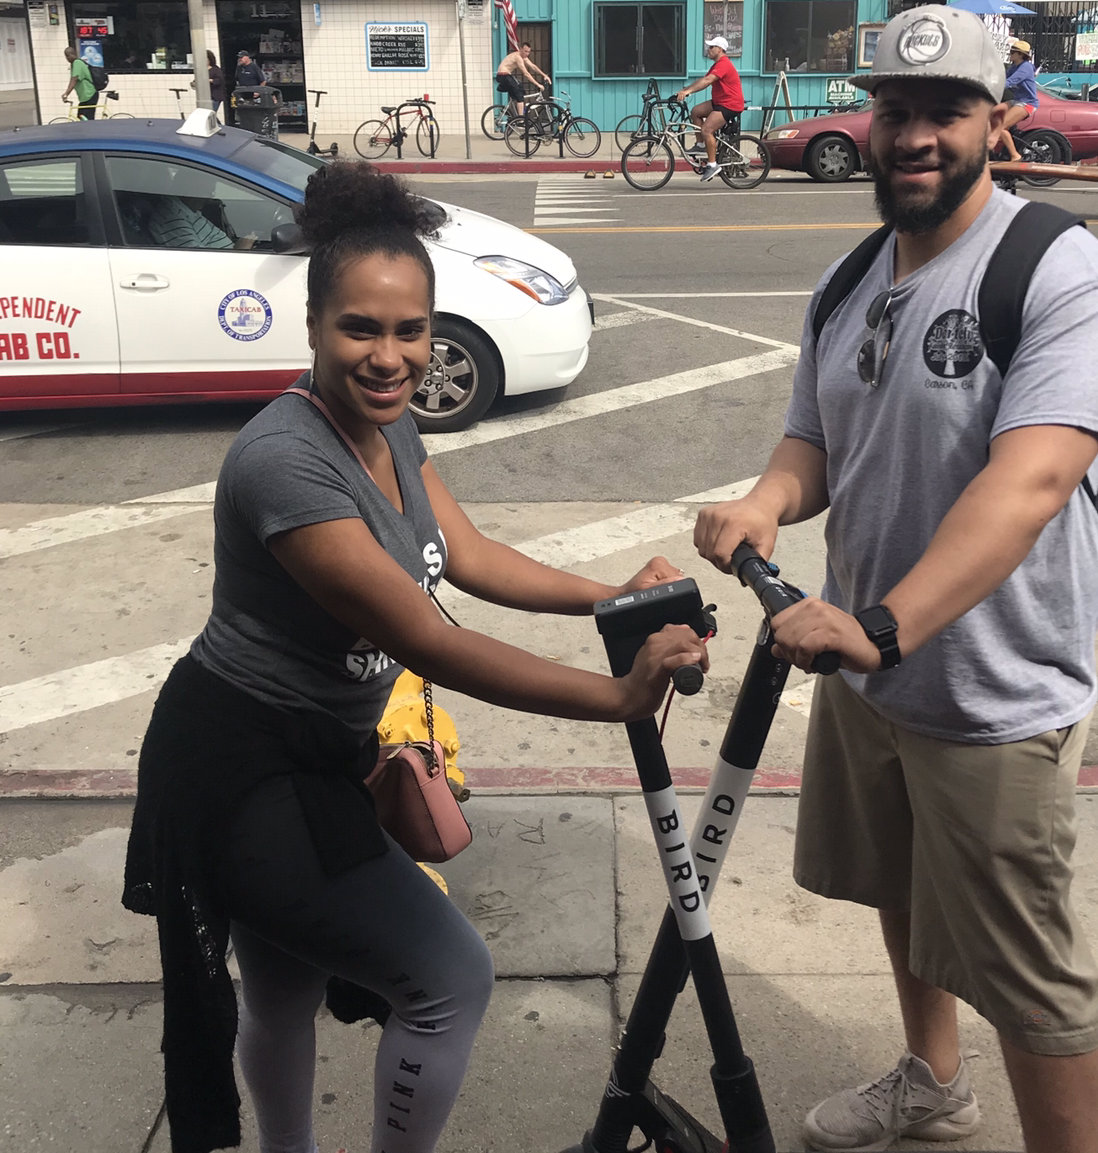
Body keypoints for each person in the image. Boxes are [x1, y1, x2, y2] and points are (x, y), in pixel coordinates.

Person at [122, 160, 707, 1153]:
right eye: (361, 328)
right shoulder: (283, 462)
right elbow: (426, 635)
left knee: (286, 982)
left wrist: (615, 596)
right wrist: (618, 697)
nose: (389, 356)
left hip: (315, 752)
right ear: (312, 326)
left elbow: (467, 557)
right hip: (236, 765)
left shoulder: (390, 431)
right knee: (446, 979)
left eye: (409, 330)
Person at [694, 4, 1098, 1153]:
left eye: (946, 112)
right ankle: (933, 1084)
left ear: (997, 121)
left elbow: (1032, 481)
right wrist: (763, 502)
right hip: (867, 668)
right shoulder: (849, 280)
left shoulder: (1059, 268)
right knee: (898, 891)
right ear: (869, 120)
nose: (916, 136)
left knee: (1030, 970)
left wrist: (883, 626)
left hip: (991, 689)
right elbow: (814, 448)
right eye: (896, 111)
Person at [674, 36, 746, 183]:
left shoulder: (724, 64)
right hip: (719, 101)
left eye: (712, 47)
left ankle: (712, 165)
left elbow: (707, 81)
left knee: (707, 129)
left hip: (730, 104)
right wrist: (686, 90)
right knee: (695, 111)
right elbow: (702, 80)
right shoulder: (716, 65)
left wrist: (688, 92)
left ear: (720, 49)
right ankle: (701, 145)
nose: (709, 49)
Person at [999, 37, 1038, 161]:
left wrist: (994, 87)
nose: (1009, 55)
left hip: (1027, 104)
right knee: (992, 113)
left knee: (1001, 127)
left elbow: (1009, 82)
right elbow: (1002, 77)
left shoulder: (1025, 67)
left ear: (1020, 55)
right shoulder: (1015, 66)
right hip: (1017, 101)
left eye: (1012, 52)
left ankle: (1015, 155)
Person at [495, 41, 549, 118]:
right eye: (525, 51)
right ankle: (520, 120)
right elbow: (526, 73)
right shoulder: (518, 57)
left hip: (505, 76)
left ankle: (511, 112)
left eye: (528, 52)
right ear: (520, 49)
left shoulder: (524, 57)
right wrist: (538, 84)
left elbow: (533, 66)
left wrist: (544, 75)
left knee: (520, 89)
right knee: (519, 95)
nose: (527, 54)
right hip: (503, 75)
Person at [61, 45, 98, 120]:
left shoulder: (77, 62)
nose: (67, 58)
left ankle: (91, 131)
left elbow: (74, 79)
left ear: (71, 55)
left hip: (89, 95)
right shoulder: (76, 63)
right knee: (82, 118)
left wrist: (66, 93)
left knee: (86, 119)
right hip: (86, 96)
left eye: (67, 56)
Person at [207, 48, 227, 118]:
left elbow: (220, 80)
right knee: (210, 115)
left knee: (211, 114)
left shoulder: (215, 69)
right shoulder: (202, 69)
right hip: (206, 96)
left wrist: (211, 81)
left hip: (215, 96)